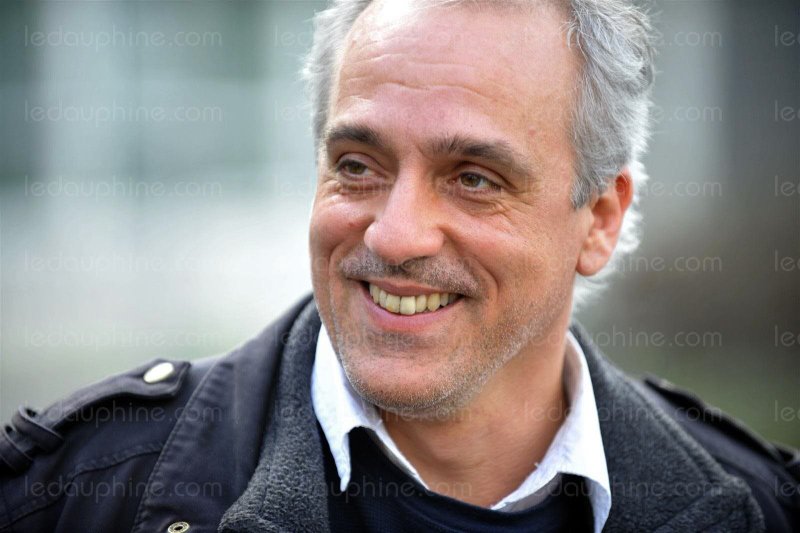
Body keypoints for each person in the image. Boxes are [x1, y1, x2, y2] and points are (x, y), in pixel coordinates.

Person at [1, 1, 797, 531]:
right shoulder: (73, 495)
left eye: (474, 178)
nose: (396, 233)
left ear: (600, 219)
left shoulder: (762, 509)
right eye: (357, 165)